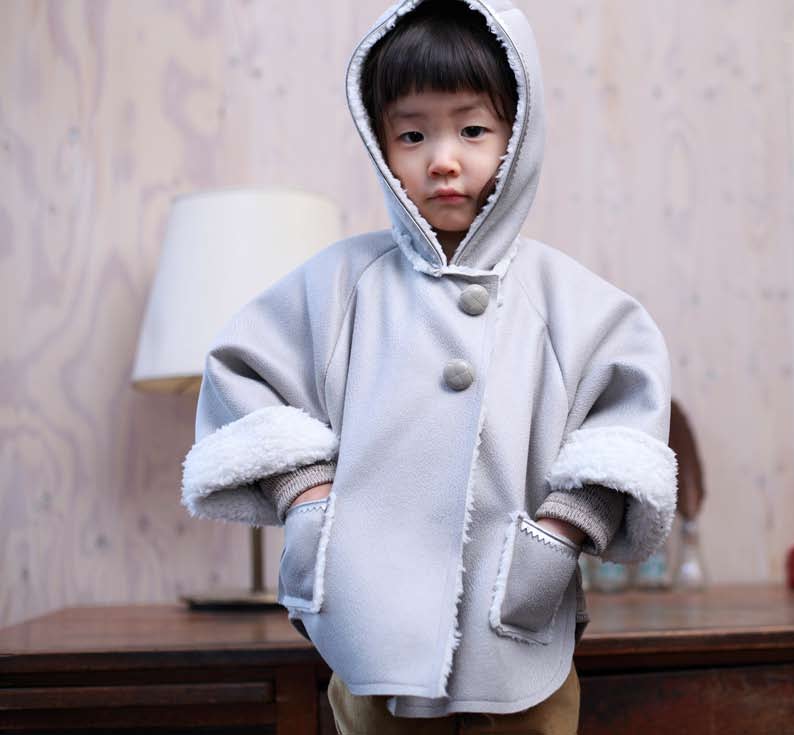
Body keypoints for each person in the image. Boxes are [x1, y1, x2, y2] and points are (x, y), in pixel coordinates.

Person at [180, 0, 677, 732]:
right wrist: (309, 500)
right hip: (367, 630)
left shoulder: (577, 304)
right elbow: (240, 377)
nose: (443, 159)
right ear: (382, 145)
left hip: (522, 637)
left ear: (518, 135)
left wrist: (559, 536)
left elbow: (625, 434)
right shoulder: (338, 285)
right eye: (412, 134)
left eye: (472, 130)